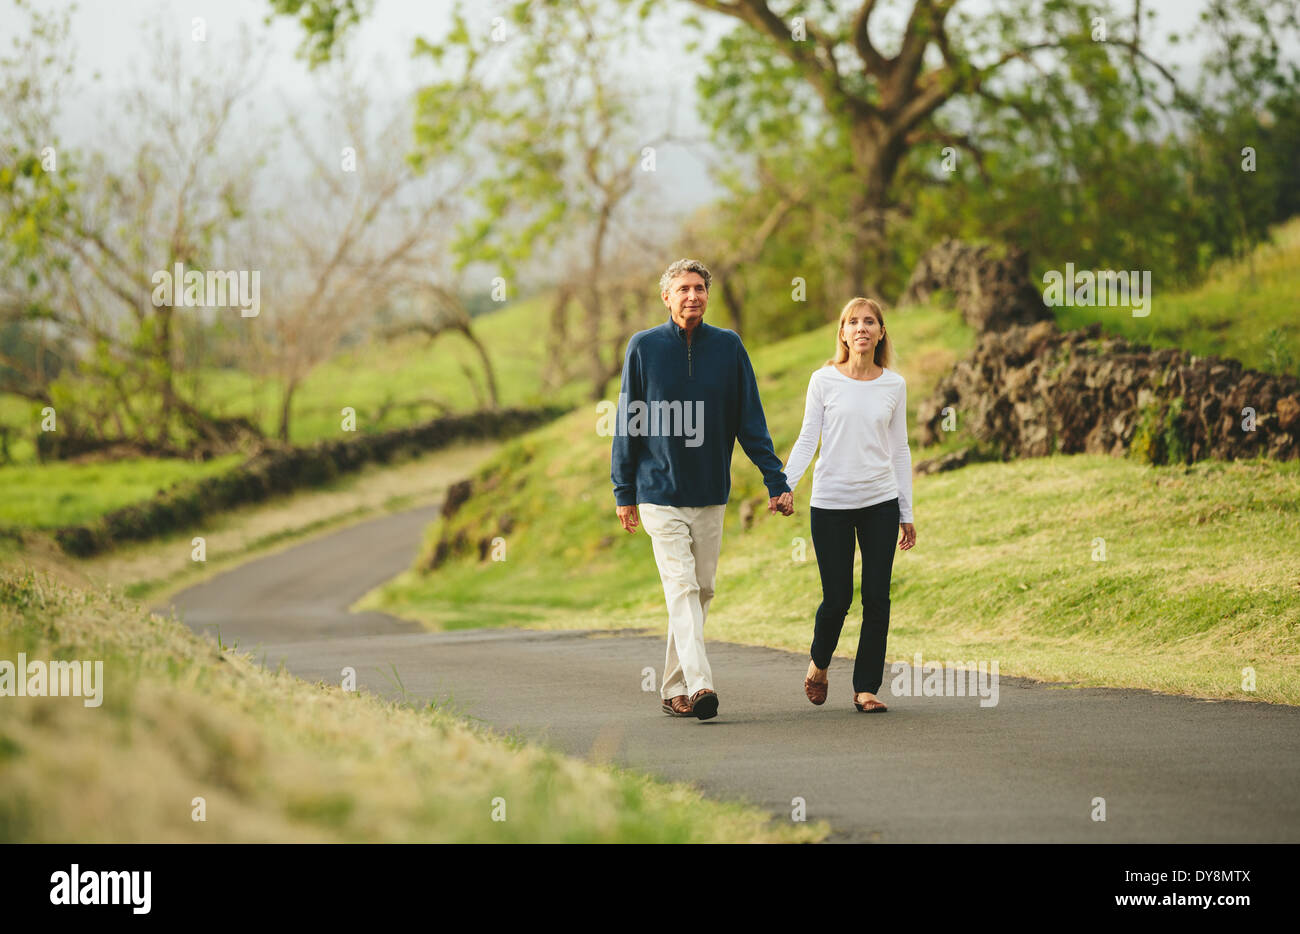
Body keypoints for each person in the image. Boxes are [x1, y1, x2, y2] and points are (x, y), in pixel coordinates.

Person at [611, 258, 793, 721]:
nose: (692, 296)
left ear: (707, 295)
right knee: (681, 586)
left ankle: (673, 686)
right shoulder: (643, 347)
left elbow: (749, 420)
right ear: (666, 297)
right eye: (683, 289)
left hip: (710, 492)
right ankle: (700, 684)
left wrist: (775, 479)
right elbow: (628, 420)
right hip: (658, 491)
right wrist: (623, 490)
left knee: (701, 590)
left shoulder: (728, 347)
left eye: (699, 288)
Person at [781, 297, 916, 713]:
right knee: (837, 597)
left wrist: (906, 512)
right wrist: (784, 485)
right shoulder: (823, 381)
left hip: (880, 502)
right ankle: (819, 664)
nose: (861, 328)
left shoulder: (893, 385)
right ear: (842, 333)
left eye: (869, 321)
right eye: (853, 322)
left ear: (880, 332)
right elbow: (808, 439)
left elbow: (900, 450)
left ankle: (866, 688)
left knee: (877, 597)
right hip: (831, 503)